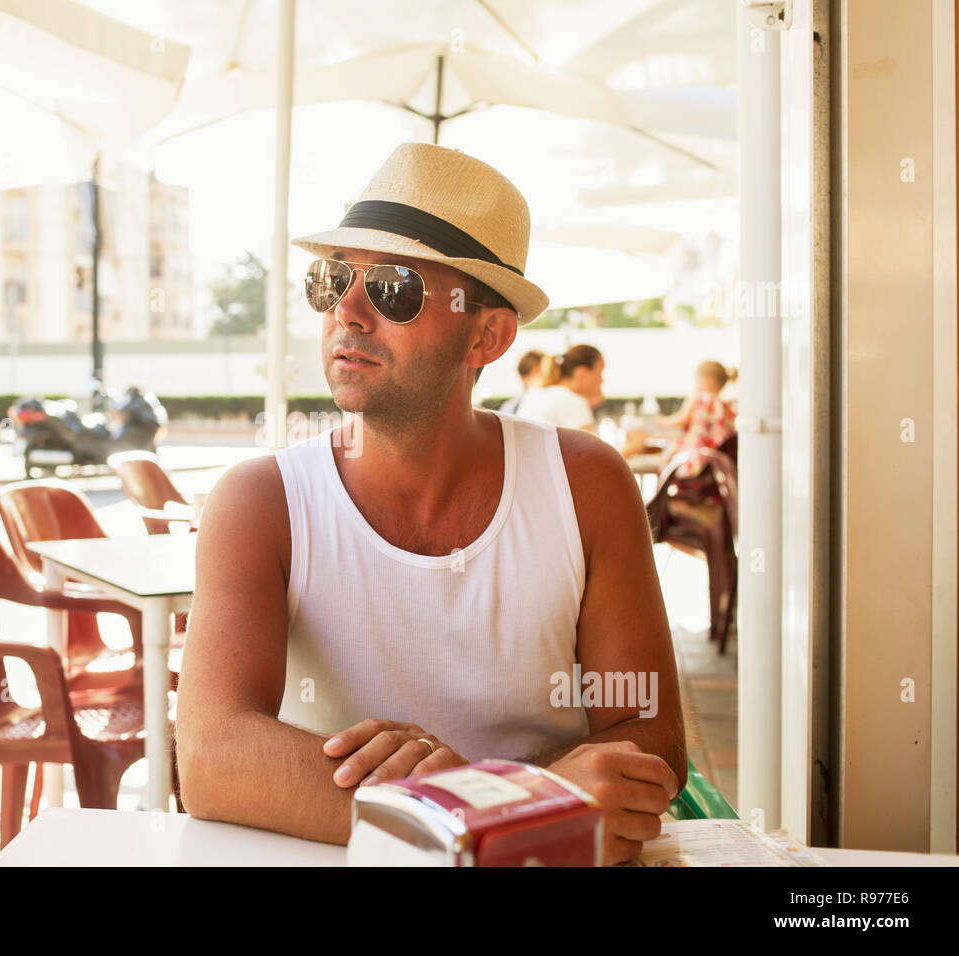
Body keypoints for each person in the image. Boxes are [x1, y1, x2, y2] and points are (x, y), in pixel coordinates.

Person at [175, 143, 686, 866]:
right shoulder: (262, 502)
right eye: (333, 281)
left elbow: (648, 734)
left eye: (393, 289)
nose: (346, 312)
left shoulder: (586, 485)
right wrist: (509, 807)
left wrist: (467, 806)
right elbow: (212, 758)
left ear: (488, 335)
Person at [658, 361, 737, 479]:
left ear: (708, 380)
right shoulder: (726, 406)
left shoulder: (699, 398)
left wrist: (662, 421)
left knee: (666, 460)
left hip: (695, 457)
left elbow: (681, 419)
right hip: (716, 459)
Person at [515, 345, 604, 431]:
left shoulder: (535, 393)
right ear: (582, 373)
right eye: (600, 372)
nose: (601, 380)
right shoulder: (572, 401)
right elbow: (589, 445)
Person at [496, 349, 545, 415]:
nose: (545, 378)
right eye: (538, 372)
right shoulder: (509, 407)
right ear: (524, 377)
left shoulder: (549, 404)